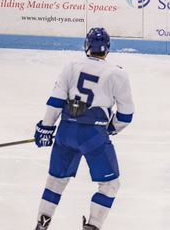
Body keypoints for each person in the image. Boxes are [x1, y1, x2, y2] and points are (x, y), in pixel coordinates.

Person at [34, 27, 134, 230]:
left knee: (56, 181)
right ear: (107, 49)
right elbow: (126, 115)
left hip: (66, 132)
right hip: (93, 136)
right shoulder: (117, 74)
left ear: (86, 46)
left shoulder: (71, 66)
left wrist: (46, 127)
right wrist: (110, 128)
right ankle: (92, 226)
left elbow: (55, 101)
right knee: (109, 185)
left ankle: (41, 225)